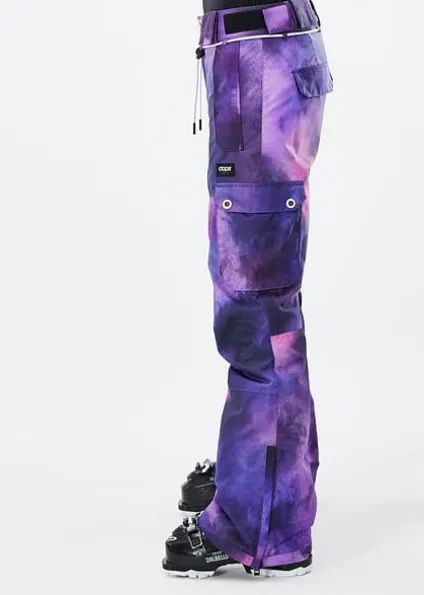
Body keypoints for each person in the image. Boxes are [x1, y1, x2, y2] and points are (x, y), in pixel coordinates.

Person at [162, 0, 333, 578]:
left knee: (256, 308)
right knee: (265, 300)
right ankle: (266, 475)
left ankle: (263, 523)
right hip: (254, 52)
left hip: (260, 59)